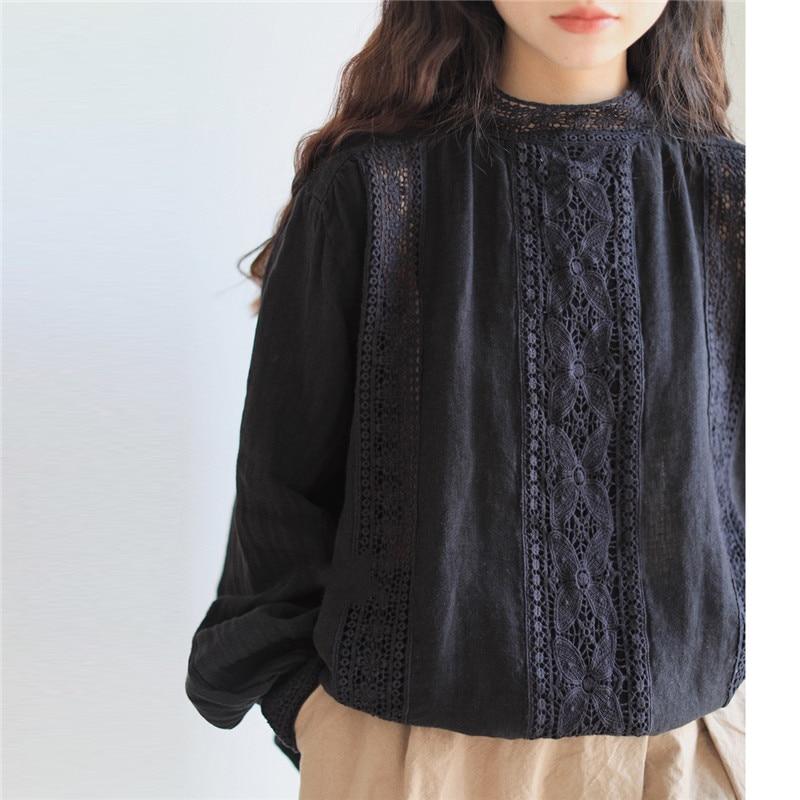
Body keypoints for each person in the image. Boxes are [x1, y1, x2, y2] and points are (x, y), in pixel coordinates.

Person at [185, 1, 745, 798]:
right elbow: (282, 496)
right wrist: (310, 711)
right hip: (411, 757)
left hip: (688, 755)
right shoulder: (372, 193)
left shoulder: (736, 205)